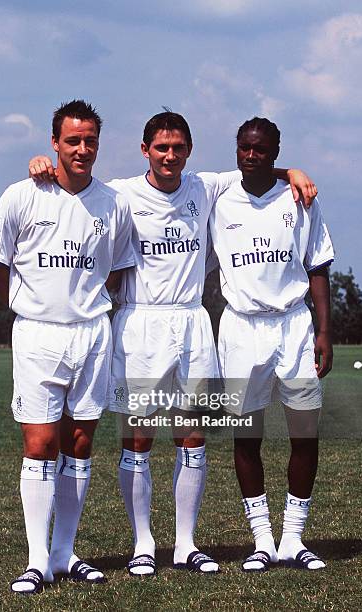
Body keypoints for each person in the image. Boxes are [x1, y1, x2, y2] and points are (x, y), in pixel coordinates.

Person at [28, 111, 316, 577]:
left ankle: (185, 543)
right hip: (139, 323)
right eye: (161, 148)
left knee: (194, 439)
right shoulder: (120, 193)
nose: (169, 156)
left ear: (189, 151)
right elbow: (73, 185)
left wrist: (293, 172)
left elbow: (258, 166)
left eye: (178, 148)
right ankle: (144, 543)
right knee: (138, 440)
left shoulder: (205, 188)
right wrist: (42, 163)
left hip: (192, 322)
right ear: (145, 150)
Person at [0, 100, 134, 594]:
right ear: (54, 142)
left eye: (90, 140)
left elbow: (114, 271)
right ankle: (36, 558)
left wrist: (84, 304)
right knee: (40, 444)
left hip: (92, 333)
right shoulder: (22, 196)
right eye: (73, 140)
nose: (82, 149)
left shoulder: (112, 204)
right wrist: (27, 305)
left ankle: (65, 553)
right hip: (37, 333)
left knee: (80, 443)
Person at [209, 117, 334, 572]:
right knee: (248, 436)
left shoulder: (300, 199)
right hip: (241, 328)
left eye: (260, 149)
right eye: (244, 147)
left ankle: (294, 539)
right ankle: (262, 539)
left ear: (276, 151)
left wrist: (324, 330)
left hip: (294, 326)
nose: (250, 155)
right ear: (236, 148)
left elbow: (317, 266)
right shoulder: (217, 200)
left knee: (304, 432)